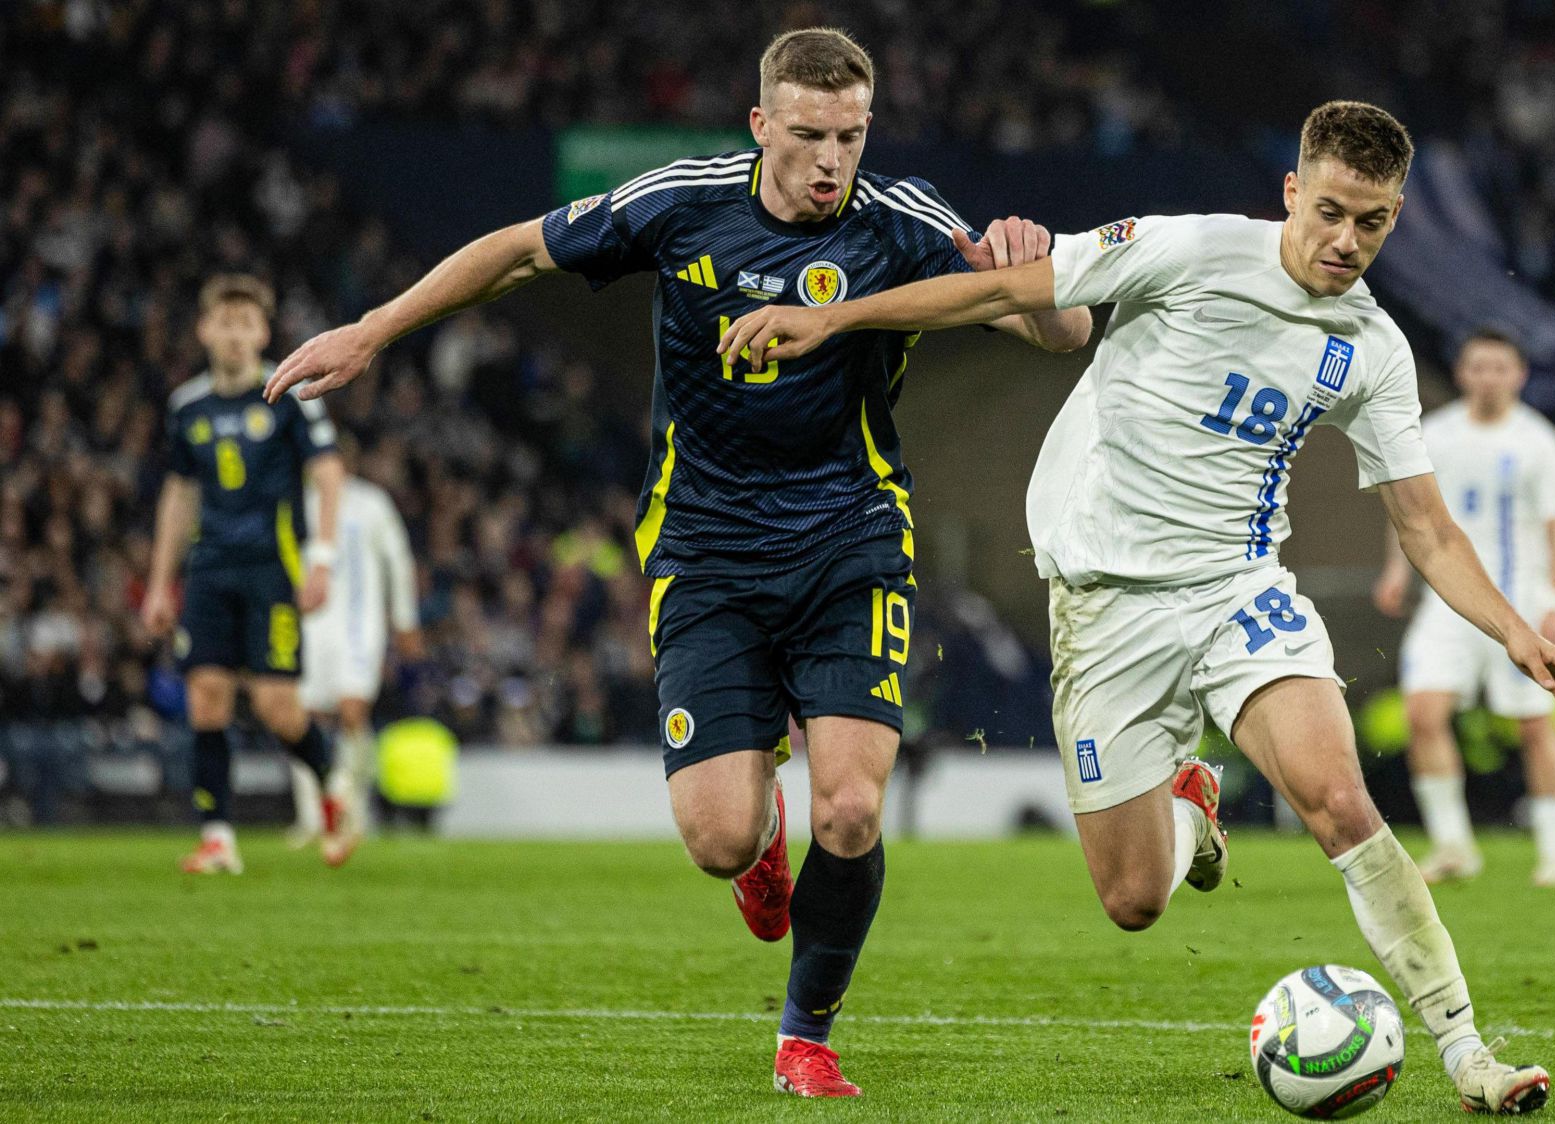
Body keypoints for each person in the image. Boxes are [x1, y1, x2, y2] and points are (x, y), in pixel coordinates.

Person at [719, 99, 1555, 1115]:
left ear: (1395, 216)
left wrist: (1517, 632)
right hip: (1105, 608)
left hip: (1239, 589)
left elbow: (1427, 528)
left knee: (1339, 801)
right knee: (1133, 899)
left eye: (1372, 222)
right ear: (1291, 192)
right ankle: (1192, 804)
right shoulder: (1188, 252)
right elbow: (1002, 288)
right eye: (1328, 211)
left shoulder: (1372, 348)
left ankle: (1468, 1052)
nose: (1345, 240)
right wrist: (830, 319)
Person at [263, 27, 1091, 1098]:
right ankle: (759, 843)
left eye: (849, 136)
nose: (831, 159)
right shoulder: (683, 201)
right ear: (760, 125)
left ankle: (806, 1034)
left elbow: (1063, 331)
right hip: (704, 550)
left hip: (849, 540)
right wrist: (375, 330)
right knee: (717, 838)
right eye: (808, 135)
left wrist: (1031, 271)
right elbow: (517, 252)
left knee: (850, 807)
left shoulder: (903, 220)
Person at [140, 274, 358, 874]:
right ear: (203, 330)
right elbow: (179, 495)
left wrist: (321, 561)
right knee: (205, 698)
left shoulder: (288, 395)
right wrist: (160, 583)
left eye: (246, 323)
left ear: (263, 333)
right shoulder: (186, 406)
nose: (234, 334)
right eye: (224, 322)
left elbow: (329, 474)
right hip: (209, 568)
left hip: (271, 568)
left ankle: (332, 780)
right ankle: (218, 839)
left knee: (275, 706)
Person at [1371, 329, 1555, 887]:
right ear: (1461, 373)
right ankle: (1453, 847)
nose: (1488, 377)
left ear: (1519, 375)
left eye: (1499, 367)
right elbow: (1410, 512)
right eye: (1478, 366)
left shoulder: (1540, 441)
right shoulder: (1434, 434)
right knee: (1422, 714)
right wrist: (1396, 571)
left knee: (1535, 726)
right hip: (1448, 603)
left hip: (1520, 605)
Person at [287, 441, 422, 845]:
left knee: (352, 710)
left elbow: (398, 560)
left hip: (360, 624)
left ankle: (353, 806)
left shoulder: (371, 503)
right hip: (311, 624)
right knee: (303, 716)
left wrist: (405, 619)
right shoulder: (297, 503)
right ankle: (311, 816)